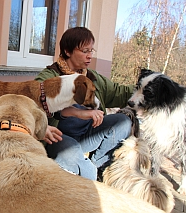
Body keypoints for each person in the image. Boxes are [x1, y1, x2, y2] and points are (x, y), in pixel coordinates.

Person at [36, 27, 134, 181]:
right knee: (83, 167)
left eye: (91, 51)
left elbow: (118, 92)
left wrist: (146, 88)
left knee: (122, 122)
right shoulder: (50, 77)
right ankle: (88, 172)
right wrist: (77, 113)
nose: (89, 56)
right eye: (84, 51)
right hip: (59, 138)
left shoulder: (92, 77)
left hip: (88, 135)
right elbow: (36, 102)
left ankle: (97, 164)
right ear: (68, 51)